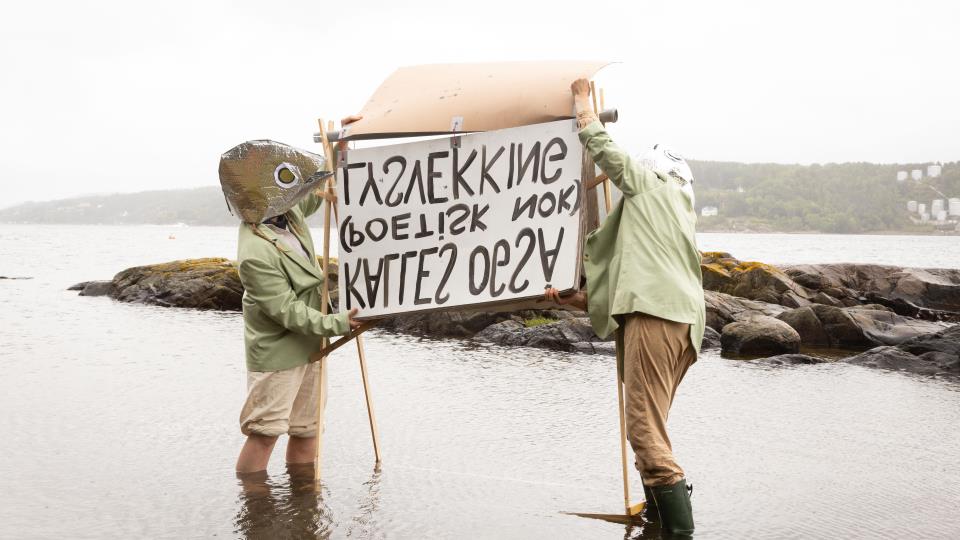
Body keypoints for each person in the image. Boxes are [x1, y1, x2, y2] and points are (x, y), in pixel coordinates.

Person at [545, 79, 705, 535]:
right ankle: (657, 521)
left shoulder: (652, 188)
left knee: (644, 431)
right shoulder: (672, 213)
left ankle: (679, 532)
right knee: (649, 425)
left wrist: (582, 105)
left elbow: (608, 153)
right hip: (682, 323)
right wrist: (578, 300)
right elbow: (631, 279)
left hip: (657, 317)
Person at [234, 116, 363, 474]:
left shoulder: (287, 213)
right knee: (265, 434)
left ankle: (303, 502)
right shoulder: (255, 253)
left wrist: (339, 148)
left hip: (311, 343)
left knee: (307, 431)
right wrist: (338, 323)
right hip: (278, 353)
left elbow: (313, 190)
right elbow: (287, 311)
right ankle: (253, 503)